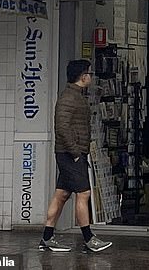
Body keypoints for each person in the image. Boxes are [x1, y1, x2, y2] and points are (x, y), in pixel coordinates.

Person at [39, 60, 112, 253]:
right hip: (70, 154)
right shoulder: (69, 98)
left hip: (71, 153)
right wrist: (76, 153)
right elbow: (62, 127)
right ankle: (89, 238)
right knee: (84, 193)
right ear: (83, 76)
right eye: (89, 73)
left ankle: (47, 237)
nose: (91, 77)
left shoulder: (75, 96)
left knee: (62, 194)